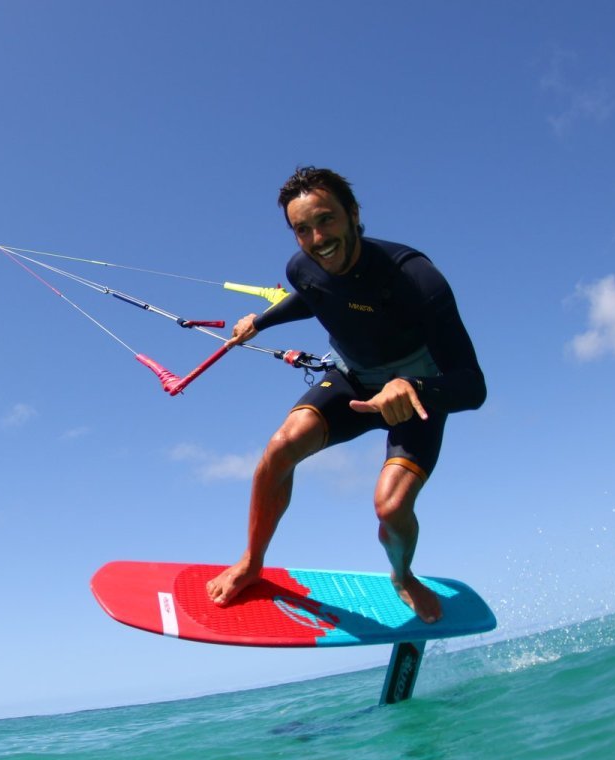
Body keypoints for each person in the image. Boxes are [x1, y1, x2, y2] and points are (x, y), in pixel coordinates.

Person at [206, 166, 486, 623]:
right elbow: (311, 294)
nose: (318, 238)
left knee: (391, 506)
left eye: (326, 220)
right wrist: (259, 321)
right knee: (280, 449)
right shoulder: (302, 268)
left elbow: (473, 386)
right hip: (354, 381)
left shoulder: (415, 277)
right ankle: (252, 563)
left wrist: (411, 385)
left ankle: (403, 575)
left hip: (416, 394)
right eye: (303, 229)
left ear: (354, 214)